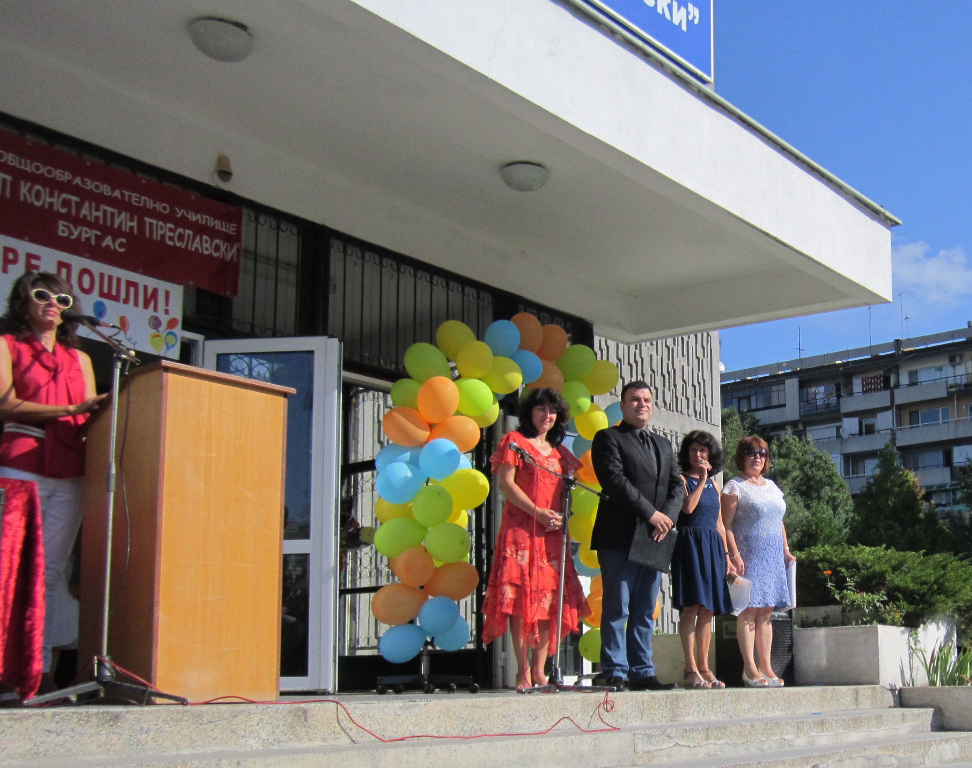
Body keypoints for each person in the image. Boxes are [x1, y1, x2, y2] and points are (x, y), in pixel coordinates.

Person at [0, 272, 106, 693]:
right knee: (10, 568)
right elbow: (6, 404)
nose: (52, 303)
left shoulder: (79, 359)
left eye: (62, 299)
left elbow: (91, 413)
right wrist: (71, 409)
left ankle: (37, 670)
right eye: (42, 295)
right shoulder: (7, 345)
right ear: (22, 302)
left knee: (51, 572)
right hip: (22, 462)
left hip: (70, 468)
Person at [482, 387, 590, 691]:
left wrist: (561, 516)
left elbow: (566, 493)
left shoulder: (559, 453)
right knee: (520, 600)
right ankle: (523, 670)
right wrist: (537, 512)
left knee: (548, 600)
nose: (547, 415)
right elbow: (506, 484)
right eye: (541, 409)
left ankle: (541, 670)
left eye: (552, 411)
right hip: (521, 531)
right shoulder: (515, 442)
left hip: (551, 534)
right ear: (530, 412)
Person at [590, 381, 683, 691]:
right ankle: (616, 670)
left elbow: (677, 486)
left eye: (646, 400)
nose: (641, 404)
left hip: (655, 538)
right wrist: (650, 514)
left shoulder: (663, 444)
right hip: (619, 536)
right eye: (634, 399)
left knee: (645, 609)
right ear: (623, 405)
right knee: (618, 606)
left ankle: (643, 672)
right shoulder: (608, 438)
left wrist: (666, 518)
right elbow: (615, 481)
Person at [720, 436, 796, 688]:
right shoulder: (735, 486)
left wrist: (786, 550)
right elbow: (725, 524)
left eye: (762, 453)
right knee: (748, 611)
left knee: (766, 613)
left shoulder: (772, 487)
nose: (758, 457)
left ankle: (766, 667)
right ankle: (749, 669)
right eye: (752, 452)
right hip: (747, 556)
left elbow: (778, 521)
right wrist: (733, 555)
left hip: (772, 557)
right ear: (741, 456)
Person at [670, 430, 734, 689]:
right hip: (689, 544)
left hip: (712, 545)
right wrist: (701, 479)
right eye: (694, 450)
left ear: (710, 454)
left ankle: (705, 667)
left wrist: (727, 556)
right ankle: (690, 668)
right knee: (691, 607)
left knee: (708, 609)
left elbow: (719, 523)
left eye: (703, 450)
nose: (698, 454)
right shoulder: (681, 479)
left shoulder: (715, 486)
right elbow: (687, 508)